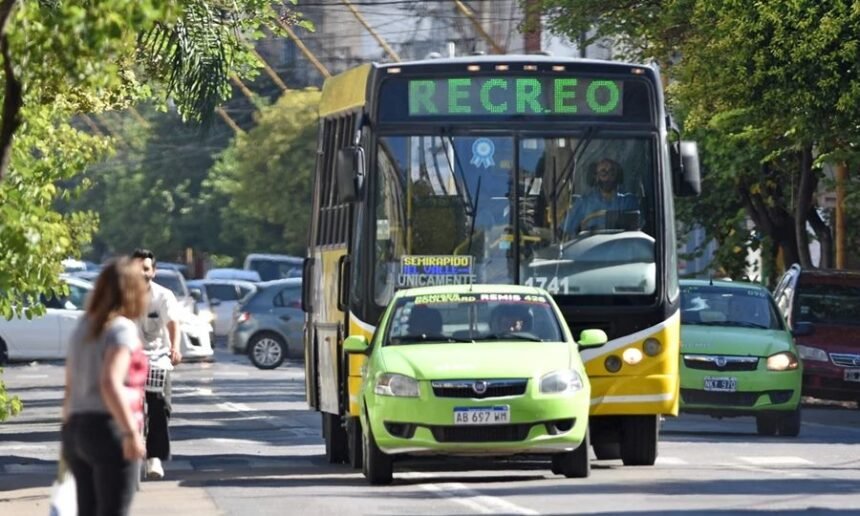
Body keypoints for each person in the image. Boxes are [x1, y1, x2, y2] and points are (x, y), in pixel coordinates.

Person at [61, 257, 149, 516]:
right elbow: (111, 382)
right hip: (109, 428)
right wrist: (131, 433)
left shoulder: (84, 326)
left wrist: (68, 427)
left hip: (76, 428)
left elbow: (69, 383)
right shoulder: (121, 329)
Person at [132, 248, 182, 480]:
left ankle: (154, 458)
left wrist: (175, 348)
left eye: (146, 269)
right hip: (128, 359)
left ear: (153, 271)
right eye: (137, 268)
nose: (141, 273)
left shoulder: (163, 296)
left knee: (160, 406)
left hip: (158, 358)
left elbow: (172, 322)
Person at [563, 158, 640, 234]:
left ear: (617, 175)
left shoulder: (628, 202)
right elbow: (564, 231)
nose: (608, 176)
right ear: (596, 177)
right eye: (603, 172)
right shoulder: (583, 203)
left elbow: (638, 229)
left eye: (612, 172)